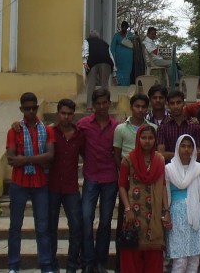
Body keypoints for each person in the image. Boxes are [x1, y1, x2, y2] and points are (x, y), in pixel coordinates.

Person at [5, 92, 57, 273]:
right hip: (19, 184)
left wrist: (25, 159)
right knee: (15, 227)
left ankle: (46, 265)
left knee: (42, 227)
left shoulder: (47, 130)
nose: (31, 112)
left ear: (37, 107)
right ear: (21, 109)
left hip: (40, 184)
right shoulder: (14, 131)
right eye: (27, 109)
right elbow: (11, 159)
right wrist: (37, 159)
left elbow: (50, 156)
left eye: (33, 108)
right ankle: (13, 265)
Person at [165, 134, 200, 273]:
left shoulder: (199, 168)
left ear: (194, 149)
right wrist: (166, 213)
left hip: (196, 214)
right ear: (177, 148)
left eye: (189, 146)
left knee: (194, 260)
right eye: (183, 146)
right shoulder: (169, 169)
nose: (186, 149)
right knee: (180, 260)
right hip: (177, 215)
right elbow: (166, 194)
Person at [77, 88, 119, 273]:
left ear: (109, 103)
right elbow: (79, 146)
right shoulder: (83, 125)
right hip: (91, 177)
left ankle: (101, 261)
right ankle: (88, 260)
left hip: (110, 178)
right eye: (98, 103)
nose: (102, 107)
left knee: (105, 221)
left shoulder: (117, 127)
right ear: (93, 105)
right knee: (86, 218)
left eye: (105, 103)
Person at [118, 125, 170, 273]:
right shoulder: (128, 160)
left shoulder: (159, 160)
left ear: (155, 140)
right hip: (134, 211)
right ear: (138, 139)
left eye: (151, 138)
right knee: (132, 252)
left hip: (154, 213)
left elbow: (163, 185)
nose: (147, 141)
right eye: (144, 138)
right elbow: (121, 186)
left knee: (153, 255)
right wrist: (128, 209)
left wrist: (166, 211)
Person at [48, 98, 85, 273]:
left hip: (71, 188)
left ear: (73, 115)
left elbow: (87, 155)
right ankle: (52, 265)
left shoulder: (79, 135)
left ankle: (72, 265)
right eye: (63, 113)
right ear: (58, 114)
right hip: (52, 187)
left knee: (76, 228)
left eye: (70, 114)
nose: (66, 117)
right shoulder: (50, 132)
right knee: (50, 228)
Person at [158, 89, 200, 162]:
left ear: (184, 103)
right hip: (169, 167)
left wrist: (173, 155)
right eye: (172, 103)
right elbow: (161, 154)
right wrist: (186, 155)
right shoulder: (163, 127)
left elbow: (199, 154)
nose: (176, 106)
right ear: (168, 105)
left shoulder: (194, 126)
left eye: (178, 102)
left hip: (190, 166)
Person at [114, 93, 155, 161]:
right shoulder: (120, 128)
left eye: (143, 107)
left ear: (147, 108)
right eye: (137, 106)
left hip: (148, 166)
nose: (140, 110)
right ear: (131, 107)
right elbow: (116, 155)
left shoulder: (153, 128)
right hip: (127, 165)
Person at [84, 30, 116, 108]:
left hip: (92, 62)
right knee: (104, 84)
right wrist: (114, 73)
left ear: (89, 37)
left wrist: (85, 65)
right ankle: (106, 104)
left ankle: (89, 106)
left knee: (91, 84)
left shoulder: (86, 42)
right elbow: (111, 57)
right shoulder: (104, 43)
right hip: (106, 61)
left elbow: (84, 52)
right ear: (98, 37)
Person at [111, 21, 135, 86]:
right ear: (121, 27)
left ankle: (126, 86)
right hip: (119, 59)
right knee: (119, 72)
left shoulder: (131, 35)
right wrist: (112, 58)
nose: (124, 29)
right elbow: (112, 48)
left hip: (128, 59)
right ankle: (119, 85)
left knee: (127, 72)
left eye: (125, 27)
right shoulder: (116, 36)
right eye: (123, 27)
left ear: (127, 28)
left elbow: (134, 46)